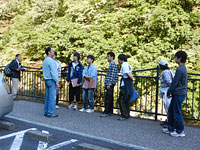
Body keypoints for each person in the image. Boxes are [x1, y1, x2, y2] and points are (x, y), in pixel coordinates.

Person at [163, 51, 188, 137]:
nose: (175, 58)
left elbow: (175, 83)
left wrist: (169, 91)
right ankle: (171, 128)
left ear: (180, 58)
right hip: (179, 93)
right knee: (171, 110)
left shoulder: (180, 70)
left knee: (176, 112)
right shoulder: (182, 68)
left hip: (179, 93)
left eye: (176, 57)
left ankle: (180, 131)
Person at [100, 52, 118, 117]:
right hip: (110, 83)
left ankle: (106, 112)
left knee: (108, 98)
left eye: (108, 56)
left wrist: (109, 84)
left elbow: (112, 75)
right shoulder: (112, 64)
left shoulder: (113, 64)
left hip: (110, 83)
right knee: (109, 97)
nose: (107, 58)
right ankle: (110, 111)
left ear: (112, 57)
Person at [43, 47, 59, 118]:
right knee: (52, 97)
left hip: (46, 80)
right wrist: (57, 81)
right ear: (49, 52)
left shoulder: (45, 60)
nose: (53, 52)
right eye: (52, 51)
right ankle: (50, 113)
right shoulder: (52, 61)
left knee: (47, 97)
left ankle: (46, 112)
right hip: (51, 80)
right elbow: (54, 73)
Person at [117, 54, 133, 121]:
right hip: (128, 84)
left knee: (122, 99)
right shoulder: (128, 64)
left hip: (125, 84)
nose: (118, 61)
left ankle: (124, 115)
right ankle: (127, 114)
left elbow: (126, 73)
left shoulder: (124, 65)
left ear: (122, 60)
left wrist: (132, 78)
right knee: (127, 99)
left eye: (118, 59)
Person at [158, 60, 174, 127]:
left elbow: (169, 82)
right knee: (168, 106)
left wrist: (169, 92)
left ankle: (169, 123)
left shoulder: (165, 72)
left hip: (167, 91)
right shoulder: (168, 71)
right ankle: (168, 121)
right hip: (167, 90)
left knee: (168, 106)